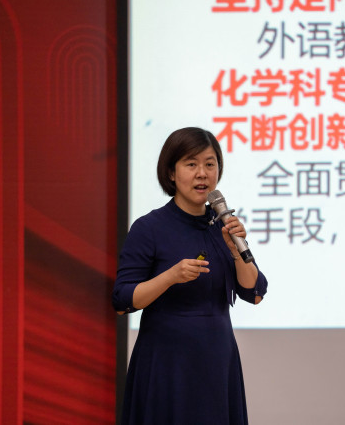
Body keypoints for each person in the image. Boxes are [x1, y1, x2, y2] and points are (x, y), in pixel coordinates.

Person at [112, 127, 268, 425]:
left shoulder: (223, 226)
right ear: (171, 173)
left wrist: (236, 250)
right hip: (167, 362)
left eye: (210, 164)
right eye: (191, 164)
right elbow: (122, 300)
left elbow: (255, 292)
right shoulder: (149, 228)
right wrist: (170, 276)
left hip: (217, 359)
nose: (202, 174)